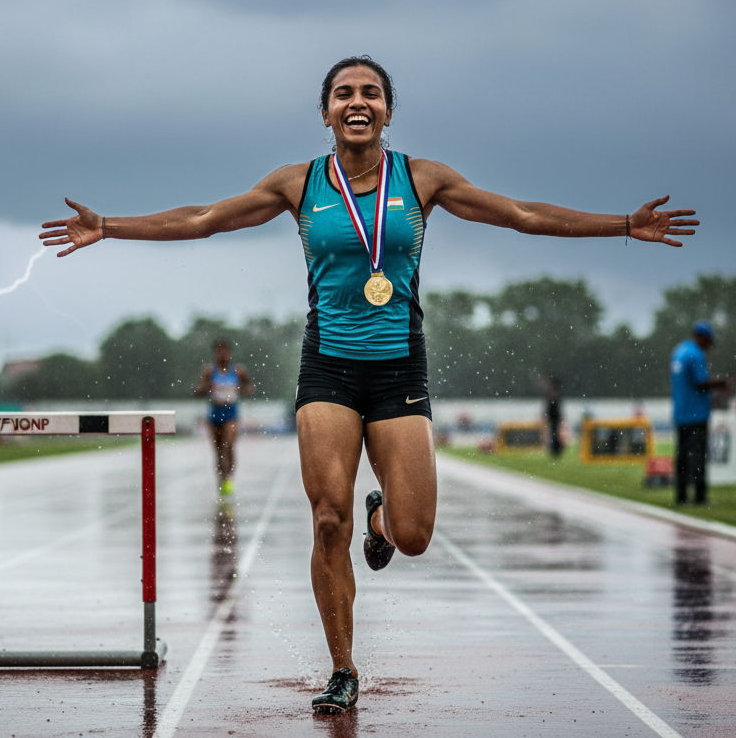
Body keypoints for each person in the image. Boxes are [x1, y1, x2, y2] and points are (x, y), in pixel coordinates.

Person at [40, 55, 699, 714]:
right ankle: (343, 668)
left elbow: (520, 214)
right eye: (344, 93)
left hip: (397, 371)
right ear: (325, 111)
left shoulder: (422, 178)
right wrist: (109, 227)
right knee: (327, 519)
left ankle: (380, 516)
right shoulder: (298, 184)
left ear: (388, 109)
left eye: (371, 93)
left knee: (413, 536)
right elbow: (204, 218)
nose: (358, 102)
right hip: (327, 368)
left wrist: (622, 225)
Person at [670, 321, 727, 505]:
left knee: (683, 457)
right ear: (703, 337)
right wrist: (719, 383)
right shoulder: (695, 354)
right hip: (696, 414)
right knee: (697, 457)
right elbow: (700, 382)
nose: (709, 346)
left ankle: (681, 496)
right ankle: (700, 497)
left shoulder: (679, 351)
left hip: (680, 412)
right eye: (708, 341)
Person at [193, 338, 253, 495]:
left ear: (230, 353)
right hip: (215, 412)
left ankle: (229, 478)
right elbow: (197, 390)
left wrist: (240, 389)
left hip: (231, 412)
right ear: (215, 353)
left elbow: (249, 388)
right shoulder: (209, 371)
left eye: (225, 351)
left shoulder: (238, 370)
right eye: (219, 351)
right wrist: (207, 387)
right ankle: (221, 478)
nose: (223, 354)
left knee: (229, 446)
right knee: (218, 450)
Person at [542, 375, 564, 458]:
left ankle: (555, 449)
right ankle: (555, 449)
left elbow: (551, 406)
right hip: (553, 416)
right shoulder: (554, 393)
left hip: (554, 416)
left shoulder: (552, 393)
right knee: (553, 433)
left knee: (554, 433)